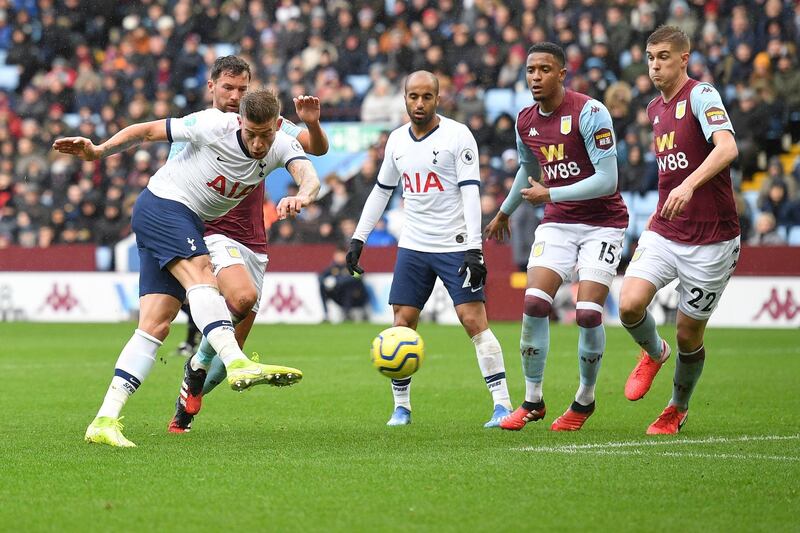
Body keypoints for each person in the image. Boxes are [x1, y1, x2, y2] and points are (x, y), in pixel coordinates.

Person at [53, 89, 321, 447]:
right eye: (251, 134)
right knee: (202, 276)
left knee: (154, 326)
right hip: (166, 206)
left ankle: (105, 419)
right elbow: (146, 131)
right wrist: (99, 151)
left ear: (277, 126)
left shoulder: (282, 143)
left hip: (184, 222)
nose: (258, 144)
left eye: (266, 135)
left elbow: (310, 176)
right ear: (239, 121)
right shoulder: (213, 125)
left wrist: (301, 197)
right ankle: (236, 360)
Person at [167, 56, 329, 433]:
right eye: (228, 87)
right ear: (212, 87)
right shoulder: (197, 128)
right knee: (236, 302)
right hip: (207, 234)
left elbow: (315, 149)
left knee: (227, 359)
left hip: (253, 240)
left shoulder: (263, 121)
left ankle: (187, 399)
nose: (235, 95)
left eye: (242, 88)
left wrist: (312, 123)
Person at [346, 70, 513, 428]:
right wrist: (359, 238)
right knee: (402, 325)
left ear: (438, 99)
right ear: (404, 98)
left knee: (473, 321)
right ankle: (401, 408)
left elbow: (471, 192)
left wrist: (474, 249)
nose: (419, 104)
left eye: (426, 97)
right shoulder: (395, 141)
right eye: (412, 97)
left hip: (454, 246)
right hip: (413, 247)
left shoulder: (457, 135)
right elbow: (381, 191)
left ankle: (502, 404)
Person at [485, 43, 628, 432]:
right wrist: (504, 211)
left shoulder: (590, 112)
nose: (535, 77)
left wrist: (551, 193)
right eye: (530, 70)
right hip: (559, 221)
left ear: (562, 73)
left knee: (586, 313)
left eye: (545, 70)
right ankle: (533, 400)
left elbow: (607, 180)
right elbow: (527, 171)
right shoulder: (525, 120)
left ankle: (584, 400)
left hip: (603, 223)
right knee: (533, 304)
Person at [618, 26, 740, 435]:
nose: (655, 64)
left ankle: (677, 407)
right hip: (667, 229)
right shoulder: (654, 108)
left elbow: (727, 148)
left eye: (664, 56)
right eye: (650, 57)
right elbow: (669, 171)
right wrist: (660, 210)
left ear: (683, 58)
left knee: (689, 334)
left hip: (713, 238)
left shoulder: (702, 95)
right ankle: (654, 352)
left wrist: (690, 184)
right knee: (629, 303)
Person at [319, 247, 369, 322]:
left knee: (348, 287)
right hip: (340, 296)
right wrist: (325, 282)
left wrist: (337, 282)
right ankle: (326, 315)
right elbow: (321, 276)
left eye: (341, 255)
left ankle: (347, 314)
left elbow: (358, 277)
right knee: (322, 287)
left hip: (357, 296)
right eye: (337, 255)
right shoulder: (333, 267)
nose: (338, 257)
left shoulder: (353, 265)